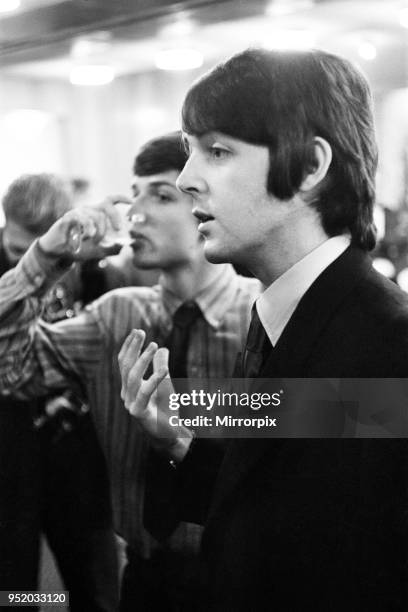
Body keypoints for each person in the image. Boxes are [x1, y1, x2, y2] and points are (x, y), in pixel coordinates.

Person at [118, 49, 408, 611]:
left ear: (309, 168)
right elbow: (283, 496)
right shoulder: (282, 310)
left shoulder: (389, 346)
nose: (186, 180)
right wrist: (177, 440)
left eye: (218, 151)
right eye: (189, 151)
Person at [0, 134, 260, 611]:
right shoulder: (114, 316)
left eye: (161, 195)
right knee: (25, 595)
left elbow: (345, 433)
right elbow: (8, 368)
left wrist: (186, 425)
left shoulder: (262, 317)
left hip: (241, 581)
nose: (135, 211)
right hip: (141, 577)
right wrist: (44, 258)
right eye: (133, 193)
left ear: (208, 205)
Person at [0, 173, 119, 612]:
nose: (24, 263)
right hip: (9, 466)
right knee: (16, 595)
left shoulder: (98, 275)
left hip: (82, 466)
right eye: (16, 251)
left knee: (97, 592)